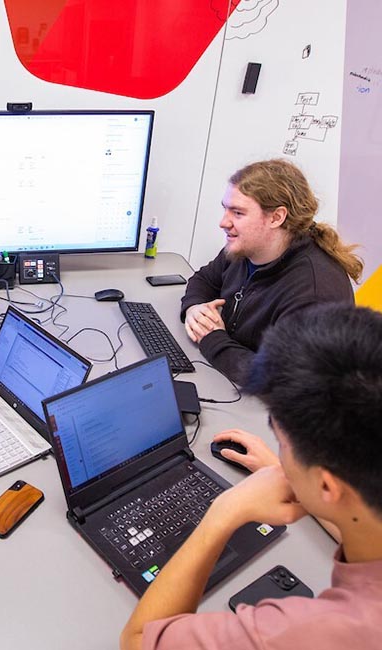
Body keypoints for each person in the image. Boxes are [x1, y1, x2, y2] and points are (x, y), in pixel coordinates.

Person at [121, 303, 382, 650]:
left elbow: (139, 641)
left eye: (283, 443)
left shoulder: (308, 633)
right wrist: (305, 485)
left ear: (327, 485)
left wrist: (224, 511)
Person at [180, 159, 362, 382]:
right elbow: (204, 280)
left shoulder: (315, 293)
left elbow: (280, 377)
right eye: (225, 209)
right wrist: (195, 309)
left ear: (277, 217)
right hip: (229, 381)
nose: (223, 222)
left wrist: (212, 338)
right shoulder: (245, 249)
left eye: (237, 213)